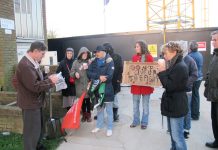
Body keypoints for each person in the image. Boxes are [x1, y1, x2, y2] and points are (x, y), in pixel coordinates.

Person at [16, 41, 58, 150]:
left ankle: (37, 146)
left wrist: (47, 76)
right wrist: (50, 81)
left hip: (35, 102)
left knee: (38, 128)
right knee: (31, 132)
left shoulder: (32, 62)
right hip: (30, 104)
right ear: (35, 51)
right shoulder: (25, 65)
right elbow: (35, 86)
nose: (43, 56)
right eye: (42, 54)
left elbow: (35, 79)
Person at [158, 41, 188, 150]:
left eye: (165, 53)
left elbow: (169, 86)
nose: (164, 56)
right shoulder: (174, 64)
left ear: (174, 52)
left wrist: (162, 71)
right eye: (163, 54)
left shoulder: (180, 66)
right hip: (172, 104)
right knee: (173, 134)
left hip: (177, 105)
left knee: (177, 136)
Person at [87, 45, 114, 137]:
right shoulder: (94, 61)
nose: (96, 54)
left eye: (97, 52)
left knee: (109, 111)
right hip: (97, 90)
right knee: (99, 110)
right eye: (95, 52)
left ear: (102, 51)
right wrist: (99, 77)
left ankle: (110, 128)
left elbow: (110, 75)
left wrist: (103, 77)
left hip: (108, 89)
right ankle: (99, 126)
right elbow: (89, 73)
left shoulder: (110, 61)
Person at [130, 41, 154, 129]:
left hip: (146, 86)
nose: (136, 48)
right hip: (136, 86)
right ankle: (136, 121)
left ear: (142, 47)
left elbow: (152, 71)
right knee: (135, 105)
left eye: (137, 46)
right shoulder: (134, 57)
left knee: (145, 105)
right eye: (135, 46)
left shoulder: (149, 57)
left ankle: (144, 122)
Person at [71, 47, 92, 122]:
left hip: (88, 84)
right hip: (79, 85)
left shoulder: (90, 62)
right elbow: (71, 73)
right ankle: (84, 115)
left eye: (86, 53)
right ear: (80, 54)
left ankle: (89, 115)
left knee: (88, 100)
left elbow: (93, 72)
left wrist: (89, 68)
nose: (85, 55)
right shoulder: (75, 62)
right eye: (84, 53)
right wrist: (75, 73)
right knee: (82, 101)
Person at [205, 30, 218, 148]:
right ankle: (217, 141)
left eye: (215, 40)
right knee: (214, 119)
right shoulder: (215, 54)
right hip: (214, 94)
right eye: (212, 40)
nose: (213, 42)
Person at [103, 43, 123, 122]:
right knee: (103, 97)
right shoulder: (103, 57)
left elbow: (120, 69)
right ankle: (100, 114)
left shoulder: (117, 57)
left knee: (114, 98)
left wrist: (118, 79)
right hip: (105, 81)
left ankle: (115, 114)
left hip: (114, 81)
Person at [182, 43, 198, 139]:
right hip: (178, 90)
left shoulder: (190, 60)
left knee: (187, 110)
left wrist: (185, 83)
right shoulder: (176, 59)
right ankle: (178, 127)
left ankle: (186, 129)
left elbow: (194, 74)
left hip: (187, 90)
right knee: (179, 110)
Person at [188, 40, 204, 120]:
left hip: (194, 78)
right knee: (196, 95)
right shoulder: (200, 55)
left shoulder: (190, 56)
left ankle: (194, 114)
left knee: (192, 96)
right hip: (199, 77)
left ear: (190, 47)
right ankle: (196, 113)